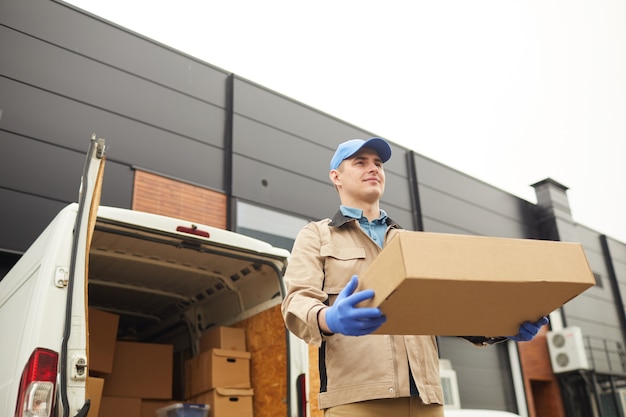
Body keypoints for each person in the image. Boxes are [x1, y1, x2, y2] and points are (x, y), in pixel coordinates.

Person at [281, 137, 549, 417]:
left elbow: (447, 310)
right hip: (357, 401)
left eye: (378, 163)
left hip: (426, 401)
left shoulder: (410, 242)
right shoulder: (317, 235)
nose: (373, 168)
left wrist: (502, 325)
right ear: (336, 176)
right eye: (360, 162)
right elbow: (296, 302)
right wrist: (329, 318)